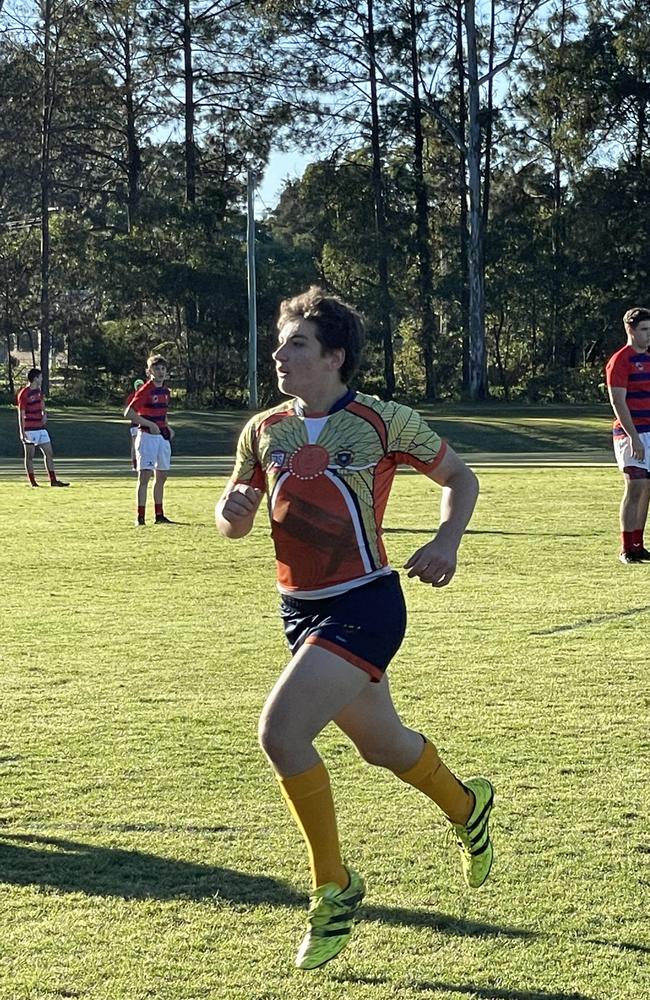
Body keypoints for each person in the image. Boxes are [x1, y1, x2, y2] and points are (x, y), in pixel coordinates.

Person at [215, 287, 493, 971]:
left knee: (281, 733)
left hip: (366, 602)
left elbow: (460, 478)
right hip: (298, 610)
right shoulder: (263, 428)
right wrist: (231, 507)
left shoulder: (383, 421)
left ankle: (334, 887)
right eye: (280, 342)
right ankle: (467, 806)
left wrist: (446, 541)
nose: (279, 353)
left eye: (296, 343)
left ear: (334, 356)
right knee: (385, 747)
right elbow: (234, 520)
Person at [605, 306, 650, 564]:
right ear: (630, 330)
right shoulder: (621, 360)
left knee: (647, 489)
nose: (648, 335)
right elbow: (618, 401)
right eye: (643, 330)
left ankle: (638, 545)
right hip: (630, 433)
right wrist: (632, 435)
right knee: (635, 486)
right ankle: (625, 548)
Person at [124, 355, 174, 526]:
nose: (160, 372)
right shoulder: (146, 390)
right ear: (149, 371)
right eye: (157, 369)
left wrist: (167, 426)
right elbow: (129, 413)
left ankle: (159, 515)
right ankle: (140, 517)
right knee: (144, 476)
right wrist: (149, 424)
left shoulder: (166, 392)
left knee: (162, 476)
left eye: (163, 369)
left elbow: (163, 413)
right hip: (146, 437)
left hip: (162, 438)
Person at [16, 368, 69, 488]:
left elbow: (42, 402)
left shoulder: (38, 391)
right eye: (40, 377)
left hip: (40, 428)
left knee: (49, 453)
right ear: (35, 378)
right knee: (29, 456)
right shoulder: (24, 393)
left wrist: (44, 414)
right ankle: (33, 482)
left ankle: (53, 480)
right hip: (29, 429)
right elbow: (21, 412)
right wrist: (22, 431)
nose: (42, 379)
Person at [125, 378, 145, 470]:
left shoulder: (146, 396)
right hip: (135, 424)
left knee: (144, 445)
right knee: (135, 445)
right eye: (138, 386)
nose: (140, 387)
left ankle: (145, 463)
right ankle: (135, 464)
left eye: (141, 385)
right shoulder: (132, 397)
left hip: (145, 424)